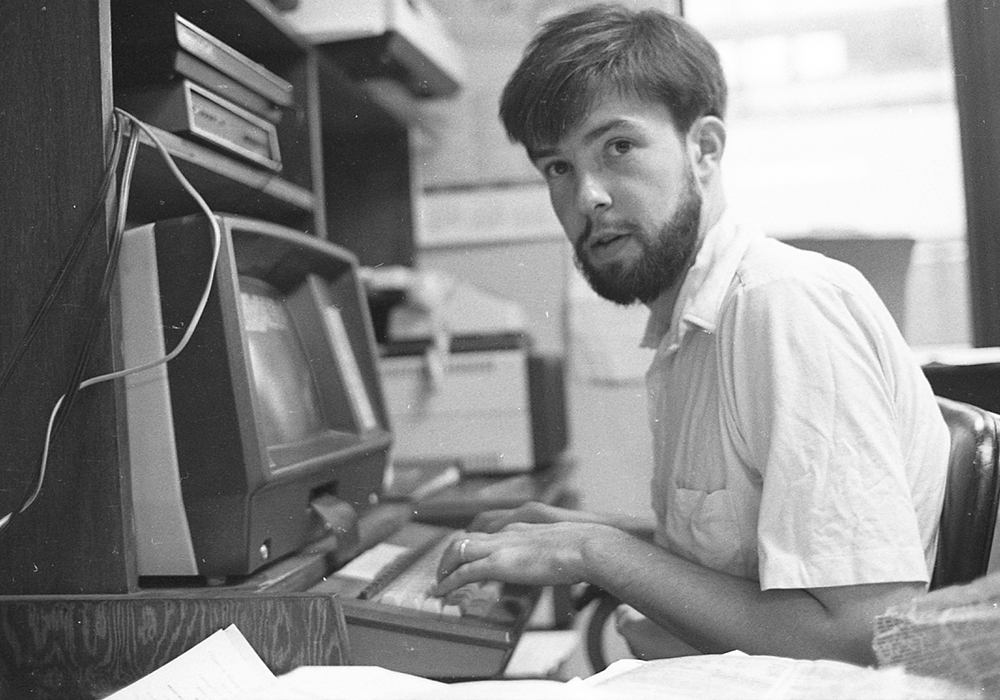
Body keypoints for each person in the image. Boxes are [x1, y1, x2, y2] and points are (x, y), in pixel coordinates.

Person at [434, 3, 951, 666]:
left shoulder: (780, 305)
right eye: (557, 168)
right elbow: (760, 562)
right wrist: (601, 534)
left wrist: (598, 552)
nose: (586, 195)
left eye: (617, 147)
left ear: (704, 149)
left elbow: (861, 634)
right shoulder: (689, 328)